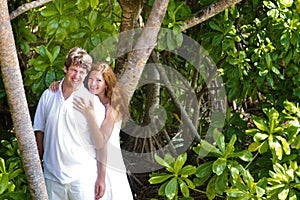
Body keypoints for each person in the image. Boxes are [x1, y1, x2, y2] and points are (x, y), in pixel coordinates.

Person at [50, 61, 133, 199]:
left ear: (106, 83)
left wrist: (89, 114)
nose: (93, 84)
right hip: (93, 162)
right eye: (91, 79)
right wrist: (59, 84)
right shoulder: (90, 99)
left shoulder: (112, 108)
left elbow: (101, 140)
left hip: (108, 164)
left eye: (98, 80)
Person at [34, 47, 106, 200]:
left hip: (82, 177)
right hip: (52, 176)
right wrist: (38, 166)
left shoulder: (93, 102)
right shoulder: (48, 95)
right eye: (74, 70)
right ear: (65, 68)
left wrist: (101, 178)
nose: (77, 76)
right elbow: (39, 131)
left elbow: (101, 144)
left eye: (82, 72)